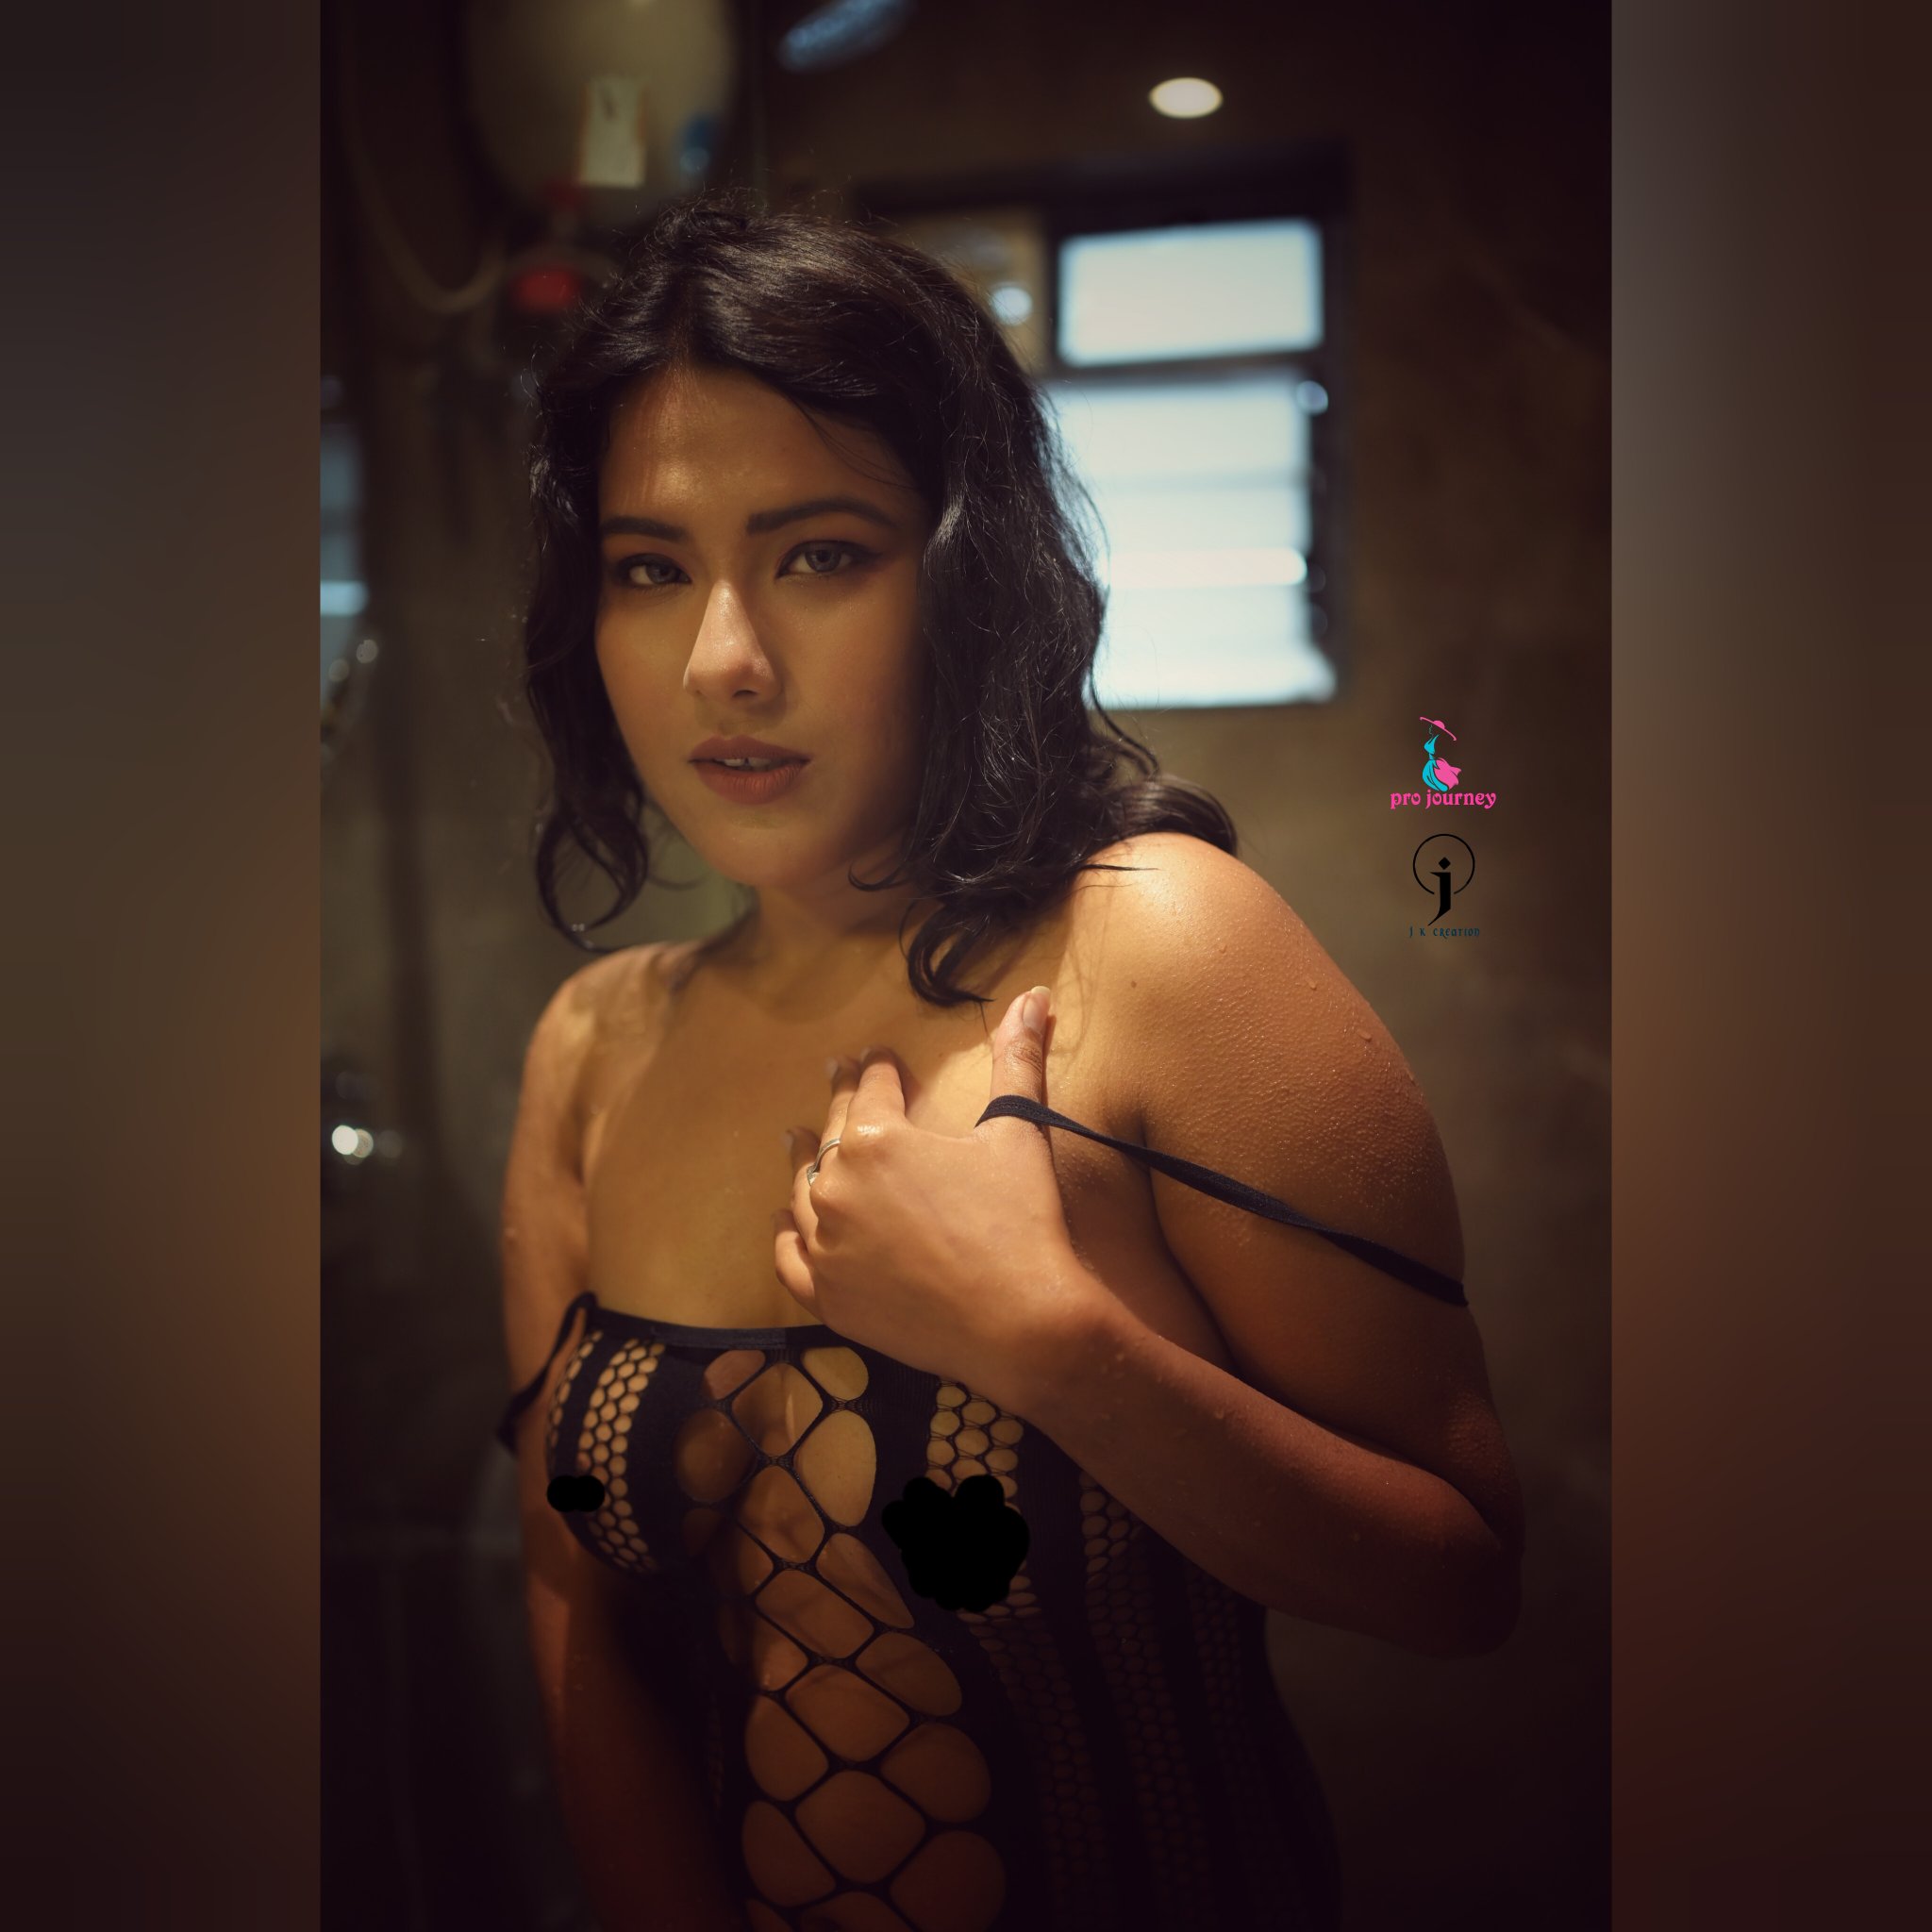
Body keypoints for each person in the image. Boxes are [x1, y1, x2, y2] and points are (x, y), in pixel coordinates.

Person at [494, 191, 1524, 1932]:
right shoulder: (592, 1047)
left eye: (820, 554)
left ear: (965, 578)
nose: (724, 660)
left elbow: (1464, 1580)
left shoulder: (1160, 947)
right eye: (651, 569)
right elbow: (578, 1612)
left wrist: (1046, 1343)